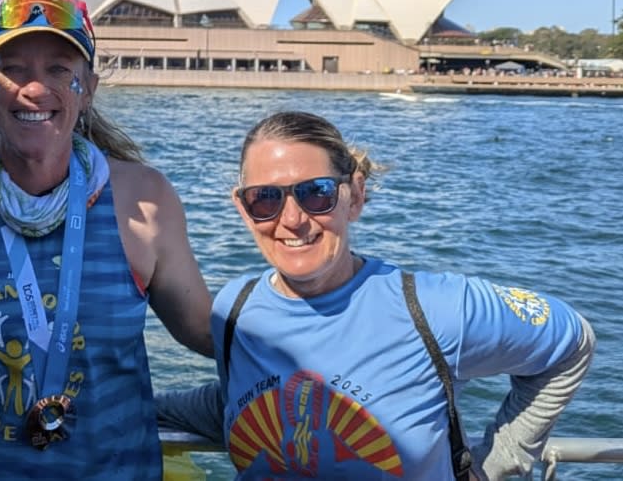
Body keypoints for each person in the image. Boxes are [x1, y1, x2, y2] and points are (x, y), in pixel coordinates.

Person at [160, 110, 596, 480]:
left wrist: (499, 461)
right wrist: (123, 406)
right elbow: (242, 396)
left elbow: (572, 341)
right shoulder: (236, 308)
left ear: (355, 195)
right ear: (243, 208)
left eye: (316, 193)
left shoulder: (436, 308)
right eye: (265, 199)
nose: (291, 219)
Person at [0, 0, 214, 479]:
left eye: (59, 69)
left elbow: (206, 331)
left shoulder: (144, 201)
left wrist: (331, 299)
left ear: (88, 88)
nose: (35, 88)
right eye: (13, 67)